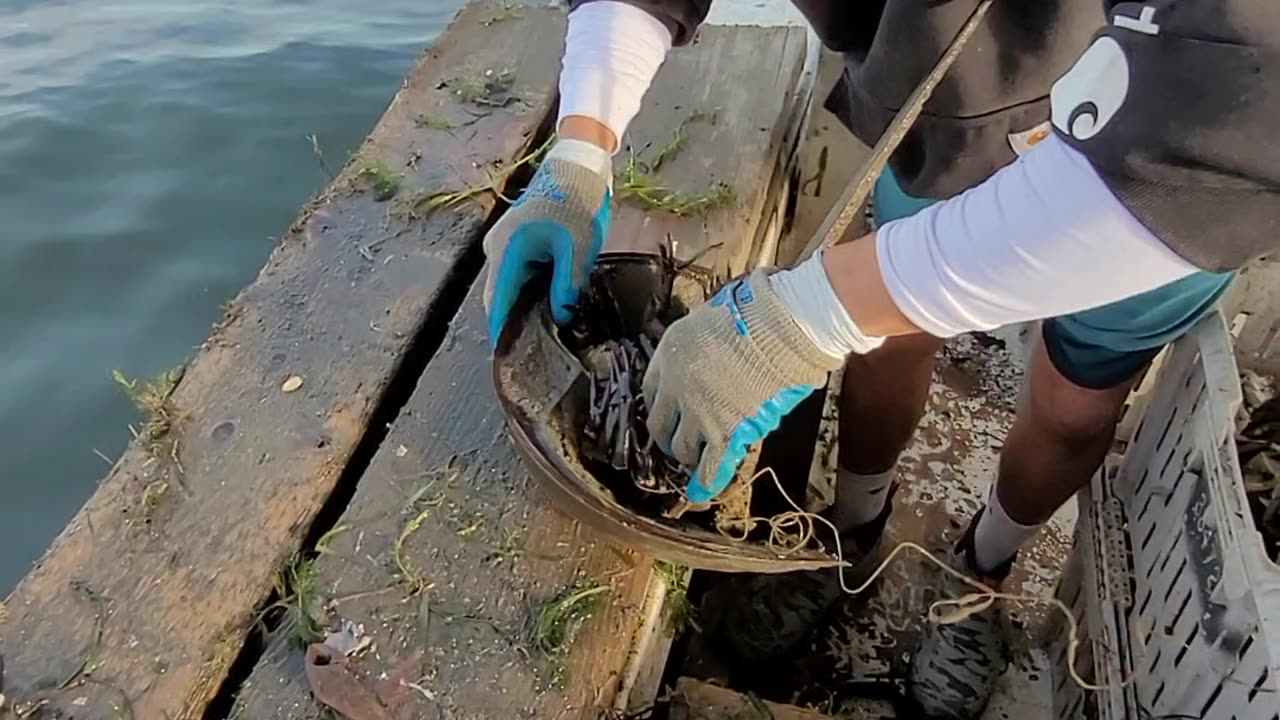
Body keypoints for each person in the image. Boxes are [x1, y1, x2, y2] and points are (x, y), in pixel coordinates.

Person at [482, 1, 1279, 717]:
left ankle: (978, 576)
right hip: (955, 106)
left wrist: (812, 313)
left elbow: (1232, 119)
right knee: (890, 338)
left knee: (1074, 405)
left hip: (1166, 177)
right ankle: (851, 532)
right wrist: (581, 149)